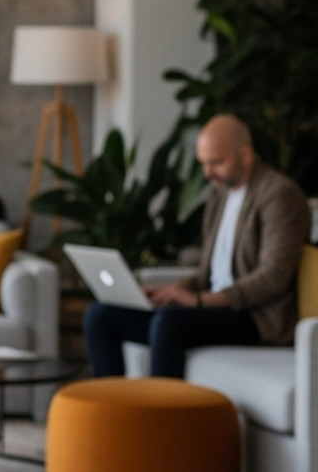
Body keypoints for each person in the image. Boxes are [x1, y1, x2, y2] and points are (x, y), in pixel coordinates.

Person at [84, 115, 310, 379]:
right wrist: (176, 289)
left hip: (253, 317)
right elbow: (213, 270)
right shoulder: (220, 198)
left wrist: (201, 301)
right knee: (101, 315)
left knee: (169, 322)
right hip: (214, 309)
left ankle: (164, 415)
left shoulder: (279, 195)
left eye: (216, 162)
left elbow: (274, 276)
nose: (207, 173)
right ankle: (112, 412)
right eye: (204, 163)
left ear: (246, 155)